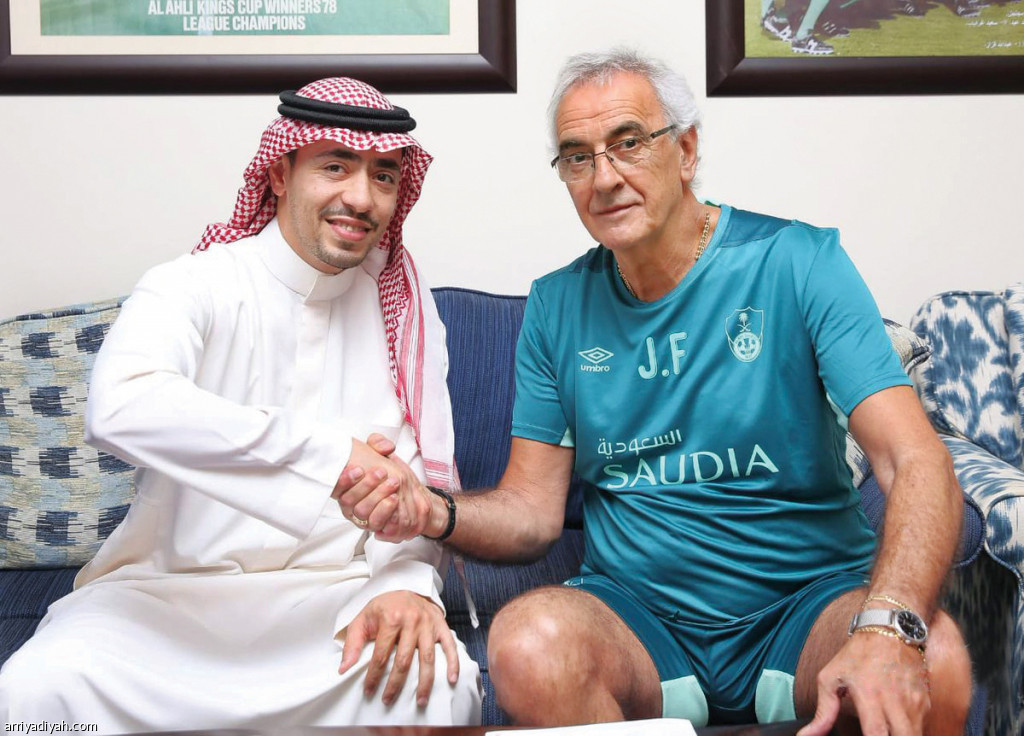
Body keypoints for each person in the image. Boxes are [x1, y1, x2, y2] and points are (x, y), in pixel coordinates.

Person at [336, 50, 973, 734]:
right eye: (577, 158)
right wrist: (429, 508)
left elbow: (915, 459)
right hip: (640, 626)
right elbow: (532, 513)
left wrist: (887, 623)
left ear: (686, 150)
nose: (605, 177)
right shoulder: (557, 307)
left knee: (935, 657)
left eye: (629, 143)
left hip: (807, 608)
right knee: (528, 644)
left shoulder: (799, 262)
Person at [0, 77, 482, 732]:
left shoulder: (404, 311)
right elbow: (120, 405)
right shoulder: (193, 284)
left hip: (330, 602)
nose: (361, 197)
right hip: (165, 602)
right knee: (36, 690)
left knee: (437, 691)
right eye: (335, 167)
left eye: (383, 176)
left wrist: (405, 584)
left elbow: (414, 485)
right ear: (280, 173)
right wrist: (331, 458)